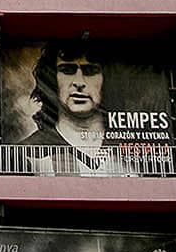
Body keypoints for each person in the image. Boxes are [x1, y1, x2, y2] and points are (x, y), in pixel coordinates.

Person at [19, 42, 121, 175]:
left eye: (90, 71)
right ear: (52, 79)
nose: (79, 82)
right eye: (67, 70)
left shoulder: (129, 148)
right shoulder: (26, 152)